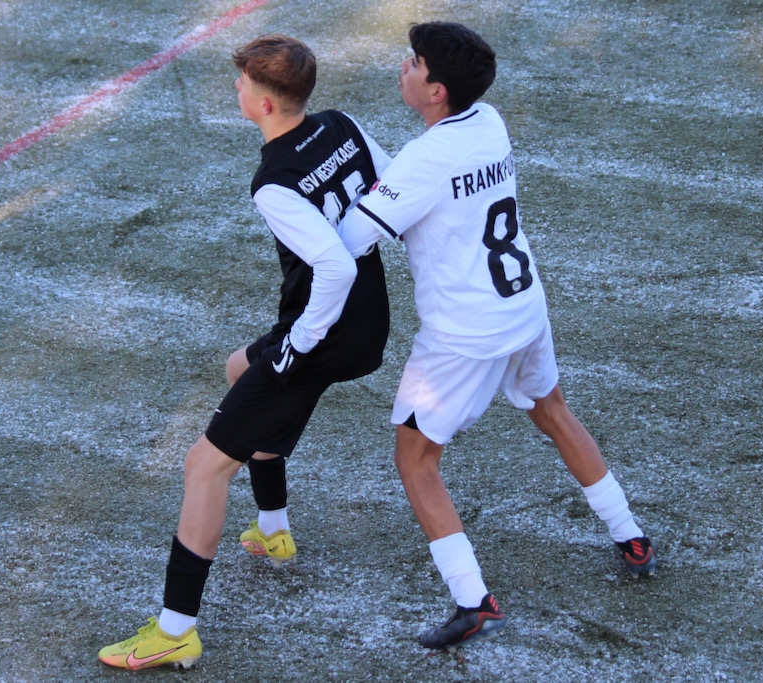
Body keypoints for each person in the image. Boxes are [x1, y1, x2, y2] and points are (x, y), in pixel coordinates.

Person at [335, 21, 657, 653]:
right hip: (523, 309)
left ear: (437, 91)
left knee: (415, 458)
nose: (404, 67)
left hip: (464, 334)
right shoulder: (489, 122)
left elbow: (353, 237)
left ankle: (473, 602)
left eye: (414, 62)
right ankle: (631, 535)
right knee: (553, 410)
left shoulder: (426, 158)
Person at [97, 34, 391, 670]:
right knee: (240, 369)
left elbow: (334, 269)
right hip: (368, 321)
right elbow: (391, 190)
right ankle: (273, 529)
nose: (235, 86)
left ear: (263, 103)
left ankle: (175, 631)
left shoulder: (273, 183)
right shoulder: (342, 125)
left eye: (243, 83)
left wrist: (296, 348)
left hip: (325, 335)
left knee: (203, 467)